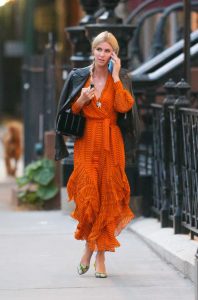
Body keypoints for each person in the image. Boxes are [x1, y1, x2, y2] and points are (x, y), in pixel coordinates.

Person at [55, 31, 138, 278]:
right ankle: (90, 249)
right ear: (93, 51)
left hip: (112, 144)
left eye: (107, 51)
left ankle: (97, 255)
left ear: (114, 54)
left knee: (107, 198)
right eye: (99, 50)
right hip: (87, 142)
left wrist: (115, 76)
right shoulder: (79, 76)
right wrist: (80, 101)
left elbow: (124, 106)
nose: (102, 55)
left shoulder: (120, 78)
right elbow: (68, 113)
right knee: (90, 198)